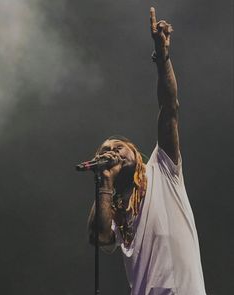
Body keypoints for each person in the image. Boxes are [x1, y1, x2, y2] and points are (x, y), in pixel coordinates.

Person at [87, 7, 207, 295]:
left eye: (118, 146)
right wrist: (105, 180)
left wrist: (162, 58)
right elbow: (100, 237)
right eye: (105, 150)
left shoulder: (161, 169)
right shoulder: (114, 204)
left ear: (136, 152)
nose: (112, 150)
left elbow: (170, 108)